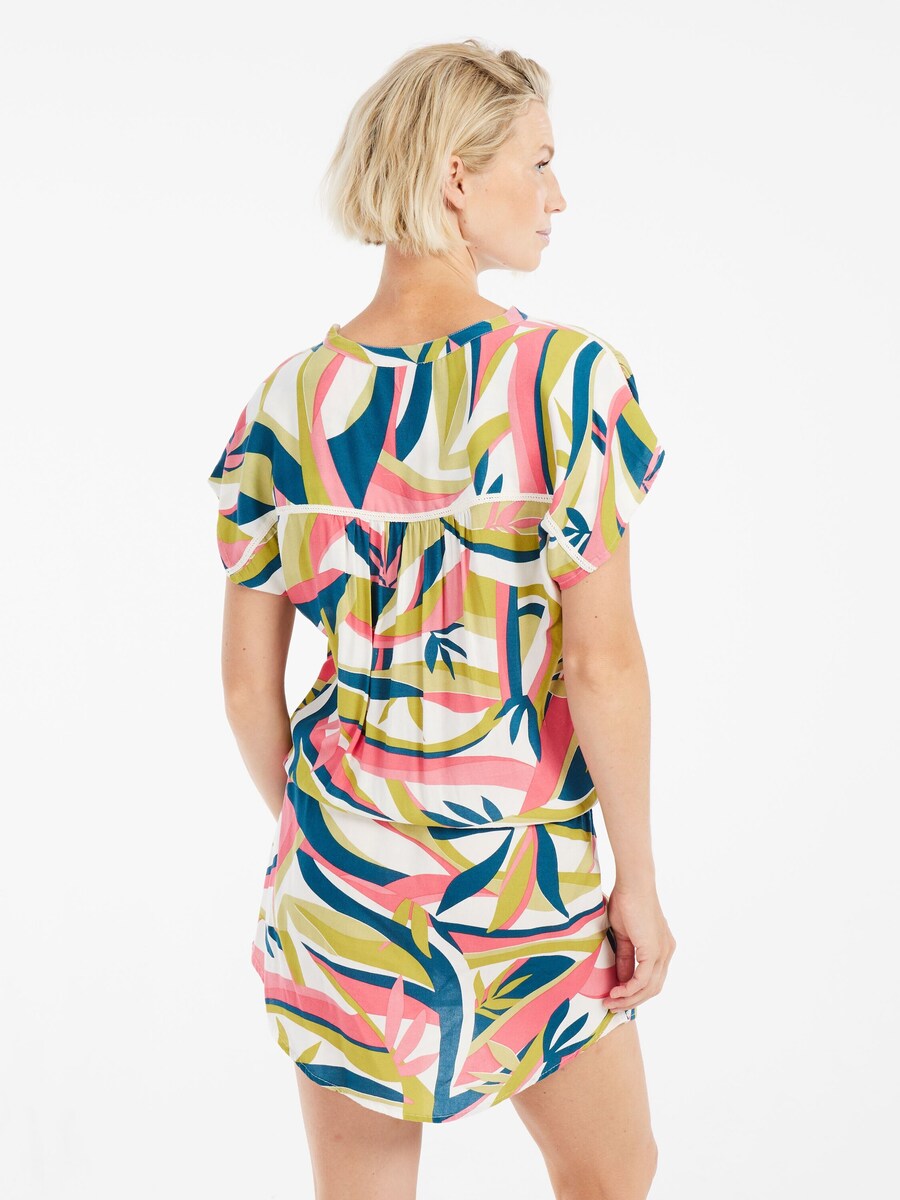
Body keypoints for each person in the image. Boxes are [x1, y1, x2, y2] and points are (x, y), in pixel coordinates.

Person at [208, 37, 676, 1200]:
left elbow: (246, 685)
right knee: (614, 1173)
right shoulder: (564, 383)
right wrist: (639, 881)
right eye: (540, 162)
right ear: (457, 177)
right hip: (520, 871)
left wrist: (333, 834)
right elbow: (603, 665)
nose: (558, 197)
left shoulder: (288, 401)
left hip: (340, 868)